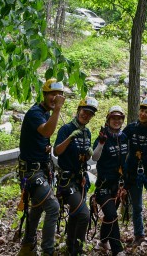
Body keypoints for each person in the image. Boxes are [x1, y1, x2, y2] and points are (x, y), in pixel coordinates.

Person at [16, 78, 65, 256]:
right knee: (52, 207)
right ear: (44, 95)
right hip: (31, 172)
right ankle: (47, 251)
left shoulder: (45, 113)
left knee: (37, 208)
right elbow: (46, 131)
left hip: (41, 170)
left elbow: (42, 136)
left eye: (59, 95)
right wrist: (58, 109)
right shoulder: (35, 113)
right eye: (52, 94)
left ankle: (27, 247)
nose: (55, 98)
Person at [54, 96, 98, 256]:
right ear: (78, 110)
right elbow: (56, 151)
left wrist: (87, 155)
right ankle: (77, 251)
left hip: (80, 179)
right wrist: (70, 138)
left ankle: (70, 245)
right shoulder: (66, 129)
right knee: (84, 214)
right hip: (67, 181)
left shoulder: (87, 132)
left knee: (75, 213)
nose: (86, 115)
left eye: (90, 114)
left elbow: (82, 157)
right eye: (84, 112)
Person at [123, 96, 147, 249]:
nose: (143, 114)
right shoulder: (131, 128)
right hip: (134, 173)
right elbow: (119, 141)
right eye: (142, 110)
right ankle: (139, 235)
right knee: (137, 207)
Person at [92, 105, 129, 256]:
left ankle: (103, 241)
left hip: (117, 186)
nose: (116, 121)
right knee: (112, 215)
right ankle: (117, 249)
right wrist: (101, 143)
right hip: (103, 185)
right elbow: (94, 157)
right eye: (113, 118)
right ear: (108, 120)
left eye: (119, 118)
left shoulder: (124, 137)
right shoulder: (103, 137)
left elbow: (127, 159)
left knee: (109, 215)